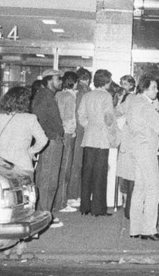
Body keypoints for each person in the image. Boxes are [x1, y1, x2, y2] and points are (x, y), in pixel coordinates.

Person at [122, 75, 159, 241]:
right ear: (145, 88)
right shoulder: (146, 106)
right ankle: (149, 230)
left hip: (135, 148)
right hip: (146, 149)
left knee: (139, 188)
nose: (157, 91)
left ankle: (135, 229)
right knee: (154, 189)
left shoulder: (133, 101)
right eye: (154, 87)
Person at [0, 86, 47, 176]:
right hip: (23, 165)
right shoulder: (30, 118)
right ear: (25, 102)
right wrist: (31, 151)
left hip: (0, 165)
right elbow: (43, 140)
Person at [77, 69, 116, 217]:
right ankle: (98, 209)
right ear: (106, 81)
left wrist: (89, 125)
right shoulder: (106, 96)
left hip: (89, 137)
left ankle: (84, 206)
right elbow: (108, 118)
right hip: (102, 138)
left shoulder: (87, 95)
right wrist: (111, 132)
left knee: (87, 173)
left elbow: (81, 115)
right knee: (100, 174)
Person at [31, 68, 65, 225]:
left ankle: (43, 211)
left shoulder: (47, 96)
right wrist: (52, 135)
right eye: (58, 79)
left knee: (46, 177)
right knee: (48, 179)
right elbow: (38, 119)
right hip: (50, 142)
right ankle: (44, 215)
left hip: (50, 140)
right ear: (50, 80)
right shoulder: (44, 96)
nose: (61, 82)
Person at [66, 67, 92, 210]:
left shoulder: (74, 92)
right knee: (78, 164)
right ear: (88, 78)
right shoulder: (86, 92)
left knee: (73, 162)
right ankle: (73, 195)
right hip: (82, 131)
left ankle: (71, 194)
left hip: (74, 129)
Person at [54, 71, 79, 213]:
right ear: (74, 82)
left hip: (58, 132)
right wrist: (73, 131)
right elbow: (69, 117)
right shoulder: (70, 97)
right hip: (68, 133)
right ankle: (62, 202)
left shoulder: (58, 95)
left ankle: (58, 199)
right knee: (66, 167)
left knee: (59, 167)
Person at [114, 75, 137, 219]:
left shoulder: (131, 98)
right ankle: (122, 197)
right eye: (121, 83)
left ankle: (124, 198)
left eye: (126, 84)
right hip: (121, 135)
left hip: (126, 136)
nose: (123, 86)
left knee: (126, 170)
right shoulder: (119, 96)